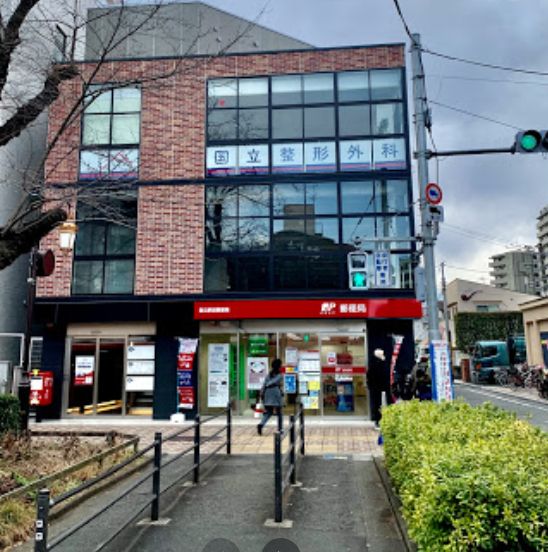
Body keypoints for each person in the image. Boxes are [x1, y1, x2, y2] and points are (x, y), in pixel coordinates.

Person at [367, 348, 394, 428]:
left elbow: (370, 376)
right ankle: (379, 420)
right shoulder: (378, 363)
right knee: (379, 404)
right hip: (379, 387)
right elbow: (372, 376)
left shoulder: (378, 363)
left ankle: (382, 420)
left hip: (380, 387)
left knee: (380, 403)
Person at [257, 358, 283, 435]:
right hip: (275, 393)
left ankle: (261, 424)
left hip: (267, 393)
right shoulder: (280, 375)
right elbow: (274, 382)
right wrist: (268, 384)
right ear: (279, 366)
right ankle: (280, 429)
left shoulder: (269, 374)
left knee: (269, 412)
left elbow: (264, 384)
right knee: (279, 413)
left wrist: (262, 392)